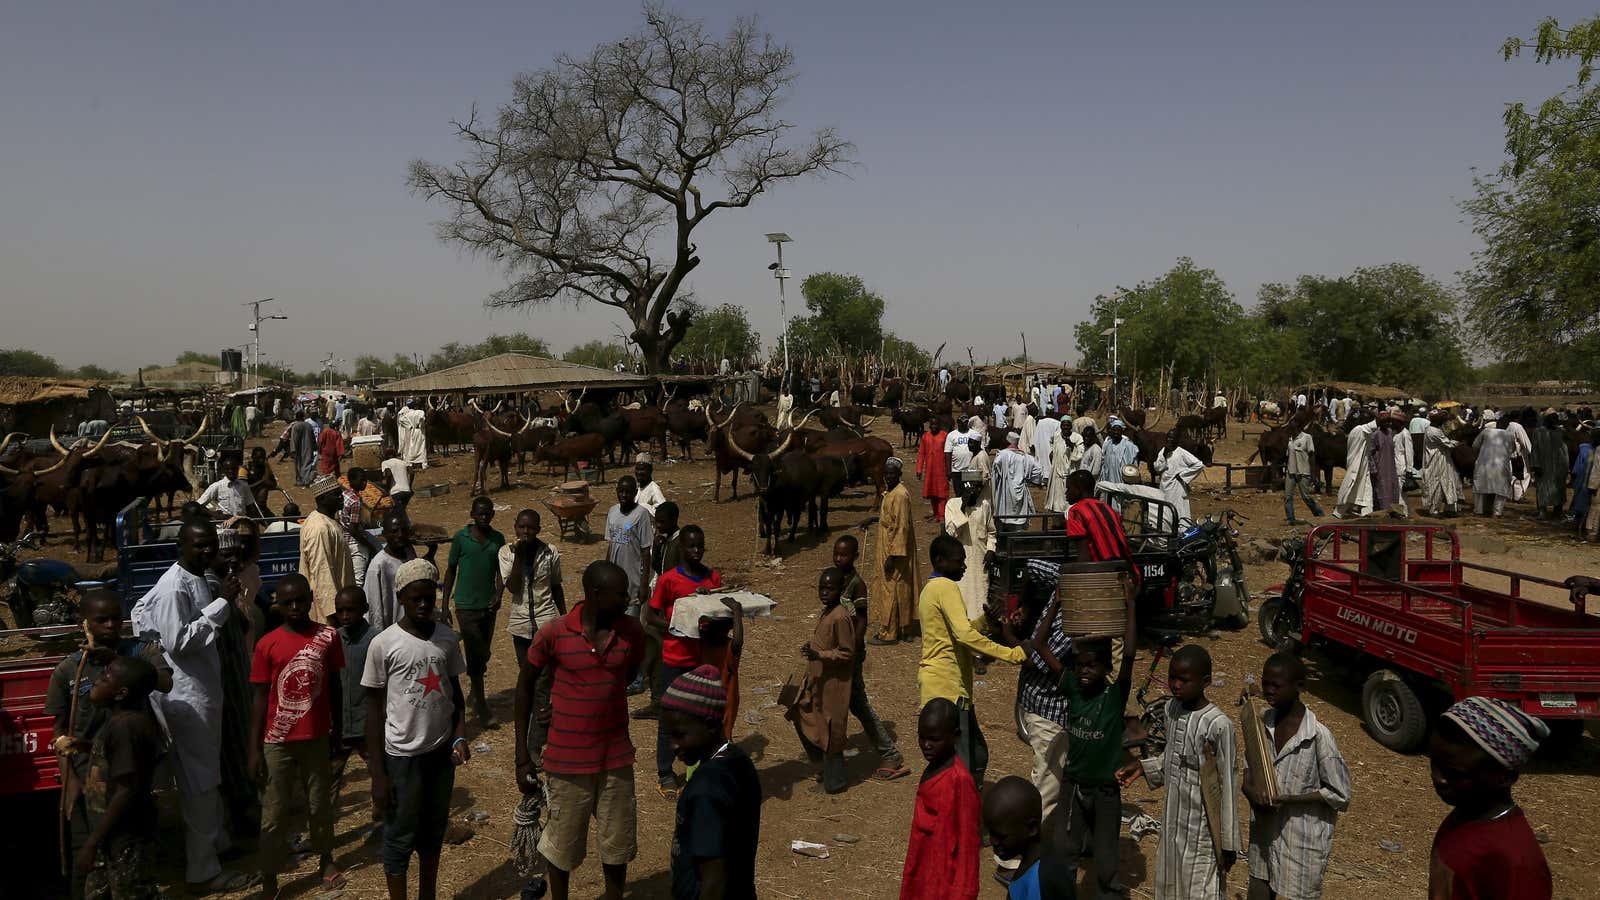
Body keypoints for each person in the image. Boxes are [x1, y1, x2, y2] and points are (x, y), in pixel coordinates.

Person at [128, 519, 257, 894]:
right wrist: (221, 605)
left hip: (203, 692)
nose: (206, 552)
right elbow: (179, 641)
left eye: (209, 546)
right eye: (198, 546)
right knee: (199, 782)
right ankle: (203, 870)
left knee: (207, 775)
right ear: (181, 546)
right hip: (186, 698)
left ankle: (217, 846)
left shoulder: (198, 578)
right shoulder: (173, 588)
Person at [515, 561, 646, 900]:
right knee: (561, 848)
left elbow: (628, 674)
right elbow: (525, 687)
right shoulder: (554, 633)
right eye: (620, 594)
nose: (627, 599)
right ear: (595, 594)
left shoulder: (631, 632)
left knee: (616, 846)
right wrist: (522, 757)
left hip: (616, 759)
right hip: (566, 763)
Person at [46, 591, 172, 900]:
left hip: (129, 774)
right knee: (87, 862)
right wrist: (71, 780)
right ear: (85, 623)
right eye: (101, 620)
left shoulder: (138, 652)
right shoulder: (68, 669)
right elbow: (60, 731)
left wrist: (116, 660)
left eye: (116, 617)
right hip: (88, 776)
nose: (111, 625)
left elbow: (165, 683)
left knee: (126, 852)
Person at [363, 559, 471, 900]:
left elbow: (454, 693)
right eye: (415, 599)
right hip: (401, 758)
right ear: (401, 599)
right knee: (398, 837)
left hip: (439, 757)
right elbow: (373, 708)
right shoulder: (384, 644)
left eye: (429, 597)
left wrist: (459, 735)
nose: (424, 604)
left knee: (432, 832)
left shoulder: (446, 638)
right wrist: (377, 774)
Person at [1030, 587, 1137, 899]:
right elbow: (1039, 643)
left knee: (1105, 863)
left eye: (1092, 666)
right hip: (1074, 788)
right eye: (1080, 665)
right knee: (1066, 853)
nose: (1084, 672)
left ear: (1106, 669)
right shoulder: (1072, 687)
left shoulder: (1114, 695)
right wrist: (1057, 604)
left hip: (1106, 791)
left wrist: (1130, 604)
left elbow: (1128, 653)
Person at [250, 573, 345, 894]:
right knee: (274, 811)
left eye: (300, 600)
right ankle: (270, 874)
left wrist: (338, 729)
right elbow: (260, 698)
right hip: (277, 741)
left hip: (316, 736)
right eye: (287, 601)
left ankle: (326, 857)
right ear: (277, 603)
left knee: (319, 804)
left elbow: (334, 686)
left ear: (310, 600)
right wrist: (254, 750)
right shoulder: (267, 644)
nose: (295, 607)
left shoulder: (328, 638)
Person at [1127, 644, 1240, 900]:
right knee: (1171, 885)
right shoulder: (1171, 710)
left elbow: (1229, 785)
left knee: (1201, 888)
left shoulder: (1218, 725)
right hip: (1173, 821)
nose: (1175, 685)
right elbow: (1171, 758)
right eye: (1172, 677)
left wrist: (1228, 842)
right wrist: (1144, 768)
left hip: (1203, 830)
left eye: (1184, 680)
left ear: (1206, 682)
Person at [1243, 653, 1352, 900]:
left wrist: (1290, 800)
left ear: (1299, 687)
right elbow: (1249, 767)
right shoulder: (1261, 723)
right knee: (1258, 890)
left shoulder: (1318, 737)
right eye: (1265, 683)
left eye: (1276, 686)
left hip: (1300, 843)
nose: (1268, 690)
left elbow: (1341, 794)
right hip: (1264, 833)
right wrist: (1249, 791)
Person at [918, 534, 1025, 784]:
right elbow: (964, 635)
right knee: (962, 762)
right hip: (947, 687)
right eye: (959, 562)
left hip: (949, 685)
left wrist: (986, 622)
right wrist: (1011, 654)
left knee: (977, 754)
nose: (964, 567)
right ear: (940, 561)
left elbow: (959, 631)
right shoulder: (945, 587)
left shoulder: (932, 589)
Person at [1427, 696, 1552, 900]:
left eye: (1455, 774)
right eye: (1434, 764)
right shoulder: (1464, 816)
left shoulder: (1516, 862)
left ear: (1506, 777)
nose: (1438, 778)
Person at [75, 656, 166, 900]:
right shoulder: (121, 723)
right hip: (111, 836)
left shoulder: (126, 727)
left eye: (105, 678)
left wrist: (92, 843)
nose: (96, 681)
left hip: (126, 837)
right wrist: (86, 747)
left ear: (121, 693)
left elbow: (127, 788)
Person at [643, 524, 722, 798]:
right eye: (691, 546)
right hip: (675, 658)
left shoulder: (712, 579)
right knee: (669, 719)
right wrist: (677, 625)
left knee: (700, 718)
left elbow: (719, 616)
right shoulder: (668, 581)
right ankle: (665, 772)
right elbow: (651, 616)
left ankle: (696, 771)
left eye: (700, 545)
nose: (697, 551)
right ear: (681, 548)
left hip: (703, 661)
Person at [830, 535, 909, 780]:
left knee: (858, 703)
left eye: (843, 554)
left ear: (854, 556)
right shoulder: (834, 579)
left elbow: (862, 618)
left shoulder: (856, 584)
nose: (838, 558)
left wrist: (852, 648)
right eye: (836, 553)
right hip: (835, 651)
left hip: (849, 652)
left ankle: (890, 752)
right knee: (845, 702)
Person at [898, 698, 981, 900]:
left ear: (956, 736)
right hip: (924, 865)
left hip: (944, 881)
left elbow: (968, 844)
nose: (926, 745)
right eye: (921, 738)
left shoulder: (959, 780)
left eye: (934, 739)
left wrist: (963, 893)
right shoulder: (935, 767)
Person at [789, 568, 857, 795]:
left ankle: (834, 782)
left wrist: (821, 655)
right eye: (822, 588)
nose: (825, 593)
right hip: (819, 680)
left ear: (840, 590)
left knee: (831, 731)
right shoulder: (828, 613)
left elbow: (847, 652)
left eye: (830, 589)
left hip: (834, 684)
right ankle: (823, 768)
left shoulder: (840, 616)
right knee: (802, 712)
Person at [440, 495, 507, 726]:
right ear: (472, 514)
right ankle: (482, 706)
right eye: (480, 513)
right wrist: (444, 604)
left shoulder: (498, 539)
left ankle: (475, 693)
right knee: (475, 653)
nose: (484, 517)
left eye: (488, 513)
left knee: (484, 652)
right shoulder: (461, 538)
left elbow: (501, 572)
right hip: (465, 606)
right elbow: (450, 571)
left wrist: (499, 595)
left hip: (488, 606)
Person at [983, 776, 1076, 900]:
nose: (993, 841)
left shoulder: (1044, 880)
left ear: (1032, 828)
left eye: (1001, 836)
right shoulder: (1036, 861)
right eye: (991, 833)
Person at [865, 458, 919, 644]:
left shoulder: (900, 496)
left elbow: (901, 527)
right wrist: (873, 520)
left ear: (899, 475)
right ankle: (904, 628)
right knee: (899, 587)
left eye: (892, 474)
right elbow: (890, 518)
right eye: (886, 473)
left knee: (891, 588)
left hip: (894, 550)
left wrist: (893, 556)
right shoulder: (891, 493)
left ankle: (889, 633)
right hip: (888, 546)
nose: (888, 477)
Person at [301, 476, 356, 625]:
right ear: (323, 499)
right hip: (328, 614)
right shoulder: (319, 528)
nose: (341, 498)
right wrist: (333, 613)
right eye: (336, 494)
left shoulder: (329, 521)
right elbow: (321, 572)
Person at [334, 587, 378, 773]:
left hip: (367, 725)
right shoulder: (332, 640)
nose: (344, 616)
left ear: (365, 608)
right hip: (340, 726)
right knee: (331, 776)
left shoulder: (376, 641)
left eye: (350, 610)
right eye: (340, 610)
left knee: (379, 772)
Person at [1334, 414, 1410, 519]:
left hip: (1378, 468)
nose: (1389, 424)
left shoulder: (1385, 433)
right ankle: (1342, 513)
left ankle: (1375, 515)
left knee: (1371, 494)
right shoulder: (1361, 432)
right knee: (1354, 490)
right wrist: (1373, 467)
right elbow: (1369, 450)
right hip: (1365, 467)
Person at [943, 471, 996, 620]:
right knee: (960, 598)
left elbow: (992, 532)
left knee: (980, 598)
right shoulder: (952, 505)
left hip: (979, 562)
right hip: (959, 563)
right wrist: (962, 508)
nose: (975, 490)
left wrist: (991, 549)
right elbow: (951, 533)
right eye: (972, 486)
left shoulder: (984, 506)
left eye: (978, 487)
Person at [606, 476, 656, 617]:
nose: (624, 495)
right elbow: (611, 544)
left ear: (635, 493)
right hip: (615, 579)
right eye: (621, 491)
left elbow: (646, 551)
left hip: (633, 580)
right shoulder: (612, 512)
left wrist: (644, 584)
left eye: (628, 492)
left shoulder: (641, 515)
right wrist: (606, 571)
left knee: (630, 622)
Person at [365, 512, 416, 631]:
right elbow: (375, 606)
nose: (400, 535)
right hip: (392, 630)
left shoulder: (410, 555)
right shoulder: (379, 565)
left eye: (404, 530)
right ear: (385, 535)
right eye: (394, 531)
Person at [992, 432, 1045, 530]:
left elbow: (996, 466)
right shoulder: (1025, 457)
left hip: (1005, 491)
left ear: (1007, 441)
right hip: (1021, 491)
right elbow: (1038, 470)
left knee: (1004, 514)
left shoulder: (1002, 455)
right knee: (1019, 516)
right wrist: (1032, 481)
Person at [340, 468, 382, 590]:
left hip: (344, 539)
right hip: (355, 543)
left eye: (365, 480)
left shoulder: (344, 495)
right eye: (361, 480)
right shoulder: (355, 501)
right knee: (358, 582)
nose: (364, 483)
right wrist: (368, 546)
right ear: (352, 481)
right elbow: (353, 530)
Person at [1154, 432, 1205, 524]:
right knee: (1165, 510)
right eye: (1168, 437)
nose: (1169, 439)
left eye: (1172, 437)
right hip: (1164, 486)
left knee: (1179, 510)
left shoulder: (1181, 452)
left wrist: (1182, 475)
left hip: (1177, 486)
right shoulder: (1163, 451)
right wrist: (1164, 455)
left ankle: (1181, 532)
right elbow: (1158, 468)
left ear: (1177, 440)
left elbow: (1199, 465)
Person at [196, 449, 260, 518]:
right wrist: (214, 514)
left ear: (238, 469)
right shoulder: (216, 486)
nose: (231, 471)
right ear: (223, 470)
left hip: (241, 524)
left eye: (233, 468)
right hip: (223, 525)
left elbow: (250, 506)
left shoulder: (244, 485)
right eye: (228, 469)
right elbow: (197, 505)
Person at [1421, 413, 1462, 518]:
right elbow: (1449, 444)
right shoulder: (1435, 431)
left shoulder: (1430, 429)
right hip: (1436, 461)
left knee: (1448, 482)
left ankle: (1449, 508)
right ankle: (1433, 510)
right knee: (1437, 485)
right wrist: (1459, 440)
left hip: (1442, 460)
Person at [1472, 424, 1517, 517]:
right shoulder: (1510, 434)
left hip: (1484, 463)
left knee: (1480, 487)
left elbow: (1475, 446)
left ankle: (1478, 511)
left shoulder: (1486, 431)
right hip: (1502, 465)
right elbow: (1513, 450)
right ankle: (1497, 513)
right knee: (1501, 489)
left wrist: (1480, 456)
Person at [1530, 413, 1569, 520]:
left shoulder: (1560, 432)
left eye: (1555, 420)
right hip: (1543, 466)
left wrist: (1566, 467)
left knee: (1559, 489)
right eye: (1551, 420)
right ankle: (1542, 511)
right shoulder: (1538, 432)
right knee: (1542, 489)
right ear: (1546, 420)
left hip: (1559, 466)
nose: (1553, 422)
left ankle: (1558, 511)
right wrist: (1535, 465)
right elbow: (1535, 450)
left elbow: (1564, 449)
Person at [1283, 421, 1324, 523]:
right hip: (1291, 472)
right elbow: (1288, 456)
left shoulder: (1307, 438)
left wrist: (1313, 474)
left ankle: (1319, 514)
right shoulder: (1290, 439)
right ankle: (1290, 518)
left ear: (1297, 428)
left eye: (1292, 428)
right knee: (1288, 496)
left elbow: (1311, 456)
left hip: (1303, 472)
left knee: (1306, 496)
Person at [917, 416, 952, 522]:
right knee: (932, 492)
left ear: (939, 425)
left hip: (942, 469)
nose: (933, 426)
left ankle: (941, 515)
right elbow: (921, 453)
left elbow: (949, 453)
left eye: (935, 424)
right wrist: (919, 469)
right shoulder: (925, 436)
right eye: (932, 425)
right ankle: (936, 514)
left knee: (942, 493)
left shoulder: (945, 436)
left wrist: (949, 469)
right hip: (930, 470)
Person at [1100, 420, 1140, 505]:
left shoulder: (1129, 447)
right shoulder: (1107, 445)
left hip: (1122, 481)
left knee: (1121, 503)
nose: (1116, 432)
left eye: (1118, 430)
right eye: (1114, 430)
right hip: (1109, 480)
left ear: (1122, 431)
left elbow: (1134, 467)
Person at [1030, 411, 1060, 489]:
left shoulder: (1040, 422)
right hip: (1052, 447)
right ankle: (1049, 482)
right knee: (1050, 464)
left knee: (1042, 463)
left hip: (1042, 446)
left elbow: (1036, 436)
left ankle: (1043, 481)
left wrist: (1036, 445)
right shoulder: (1057, 423)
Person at [289, 411, 319, 486]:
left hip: (298, 449)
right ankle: (306, 480)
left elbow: (293, 439)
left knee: (298, 464)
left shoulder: (295, 426)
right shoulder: (308, 425)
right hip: (308, 447)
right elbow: (313, 438)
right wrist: (315, 447)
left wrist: (293, 450)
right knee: (307, 463)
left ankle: (301, 481)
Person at [397, 400, 428, 470]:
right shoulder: (420, 412)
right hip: (419, 431)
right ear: (414, 406)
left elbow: (401, 420)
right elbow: (423, 419)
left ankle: (410, 463)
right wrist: (421, 425)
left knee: (412, 447)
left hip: (411, 431)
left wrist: (409, 426)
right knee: (421, 447)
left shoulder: (407, 414)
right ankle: (424, 464)